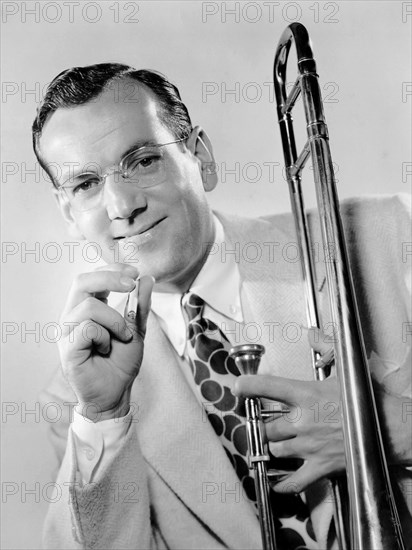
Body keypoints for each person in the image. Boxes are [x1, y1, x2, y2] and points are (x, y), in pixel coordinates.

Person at [33, 64, 411, 550]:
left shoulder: (388, 235)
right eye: (85, 184)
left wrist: (388, 427)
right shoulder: (76, 406)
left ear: (201, 157)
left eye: (143, 160)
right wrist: (105, 414)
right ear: (69, 212)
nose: (122, 204)